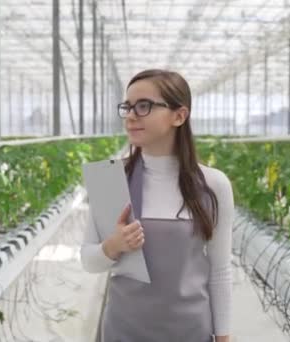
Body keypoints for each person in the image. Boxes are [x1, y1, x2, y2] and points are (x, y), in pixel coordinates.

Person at [80, 69, 234, 342]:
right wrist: (113, 246)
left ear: (179, 115)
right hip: (123, 332)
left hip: (191, 332)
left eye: (144, 106)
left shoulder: (213, 185)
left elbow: (220, 269)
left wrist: (223, 336)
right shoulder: (110, 180)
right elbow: (89, 260)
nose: (130, 116)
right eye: (127, 106)